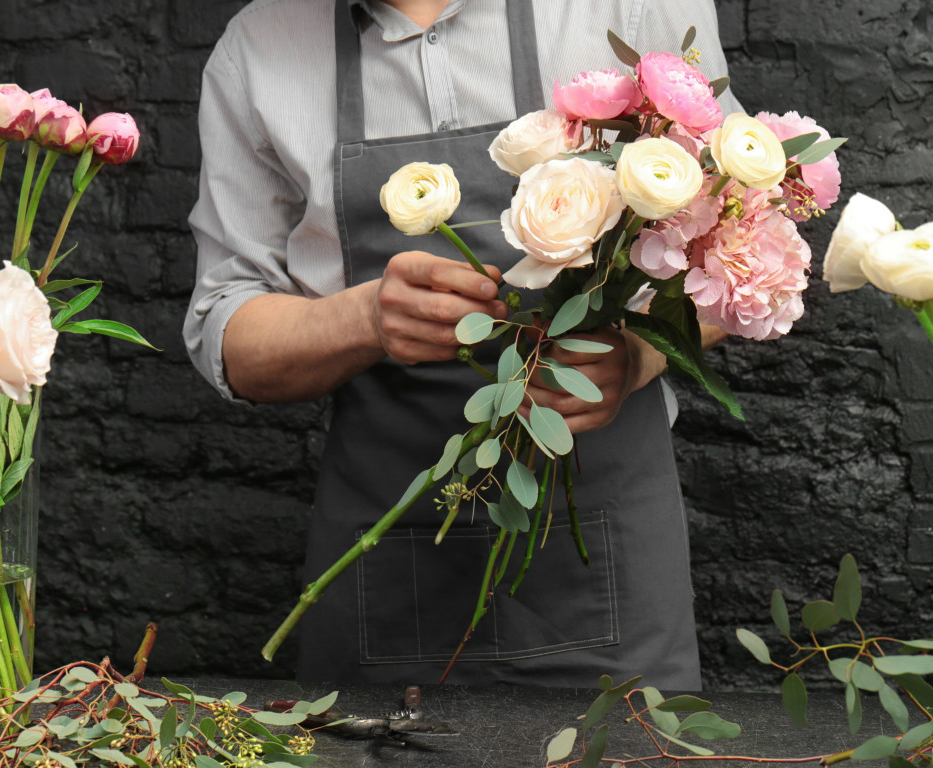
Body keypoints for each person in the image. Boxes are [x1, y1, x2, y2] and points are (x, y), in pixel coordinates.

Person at [185, 0, 740, 688]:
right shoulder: (259, 48)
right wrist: (363, 320)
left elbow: (741, 253)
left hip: (608, 565)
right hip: (384, 578)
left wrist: (636, 355)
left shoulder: (631, 9)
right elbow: (227, 333)